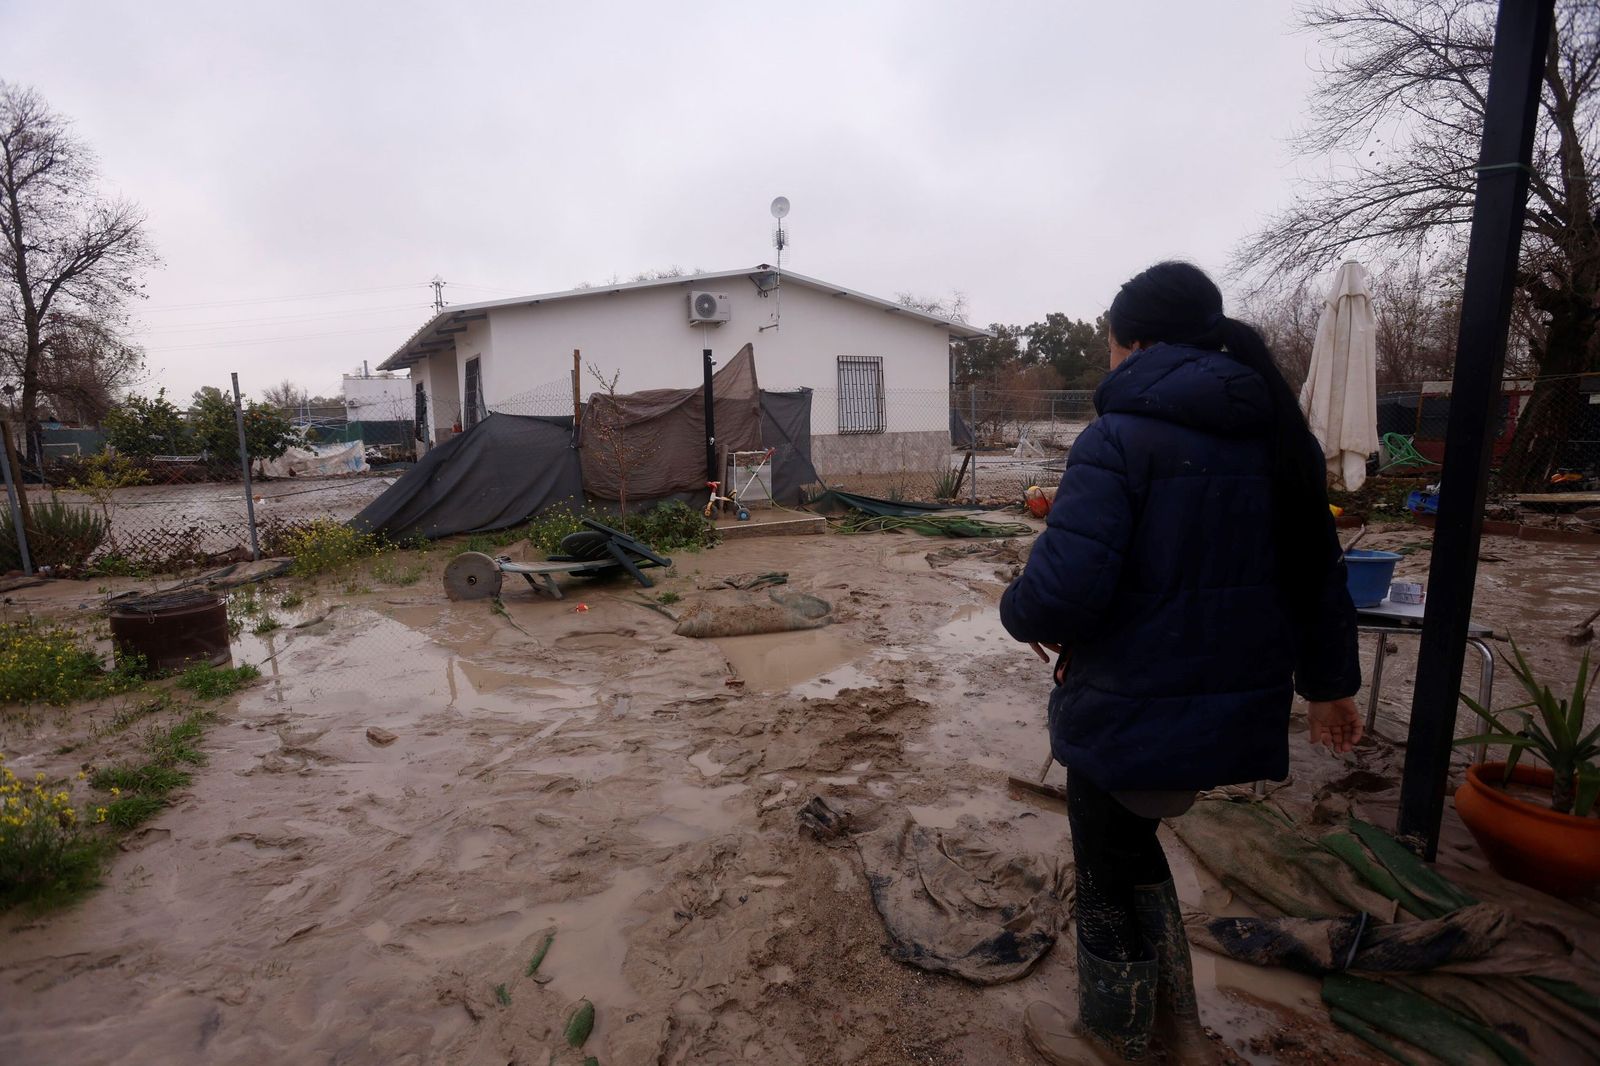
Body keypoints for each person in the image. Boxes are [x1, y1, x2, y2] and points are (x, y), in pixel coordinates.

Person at [1000, 261, 1363, 1064]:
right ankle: (1182, 1026)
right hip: (1225, 707)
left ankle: (1115, 1034)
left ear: (1135, 344)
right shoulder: (1276, 434)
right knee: (1135, 847)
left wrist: (1015, 605)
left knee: (1104, 861)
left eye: (1107, 345)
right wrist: (1331, 687)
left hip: (1127, 700)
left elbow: (1062, 592)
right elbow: (1317, 575)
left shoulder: (1119, 437)